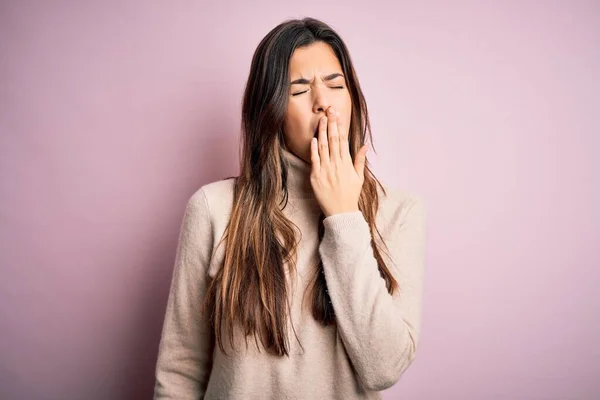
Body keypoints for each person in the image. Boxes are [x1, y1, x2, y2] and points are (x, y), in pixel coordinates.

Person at [153, 17, 427, 400]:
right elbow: (180, 370)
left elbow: (384, 367)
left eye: (335, 84)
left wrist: (343, 218)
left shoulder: (399, 212)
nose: (324, 102)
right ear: (271, 110)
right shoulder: (213, 209)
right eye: (299, 90)